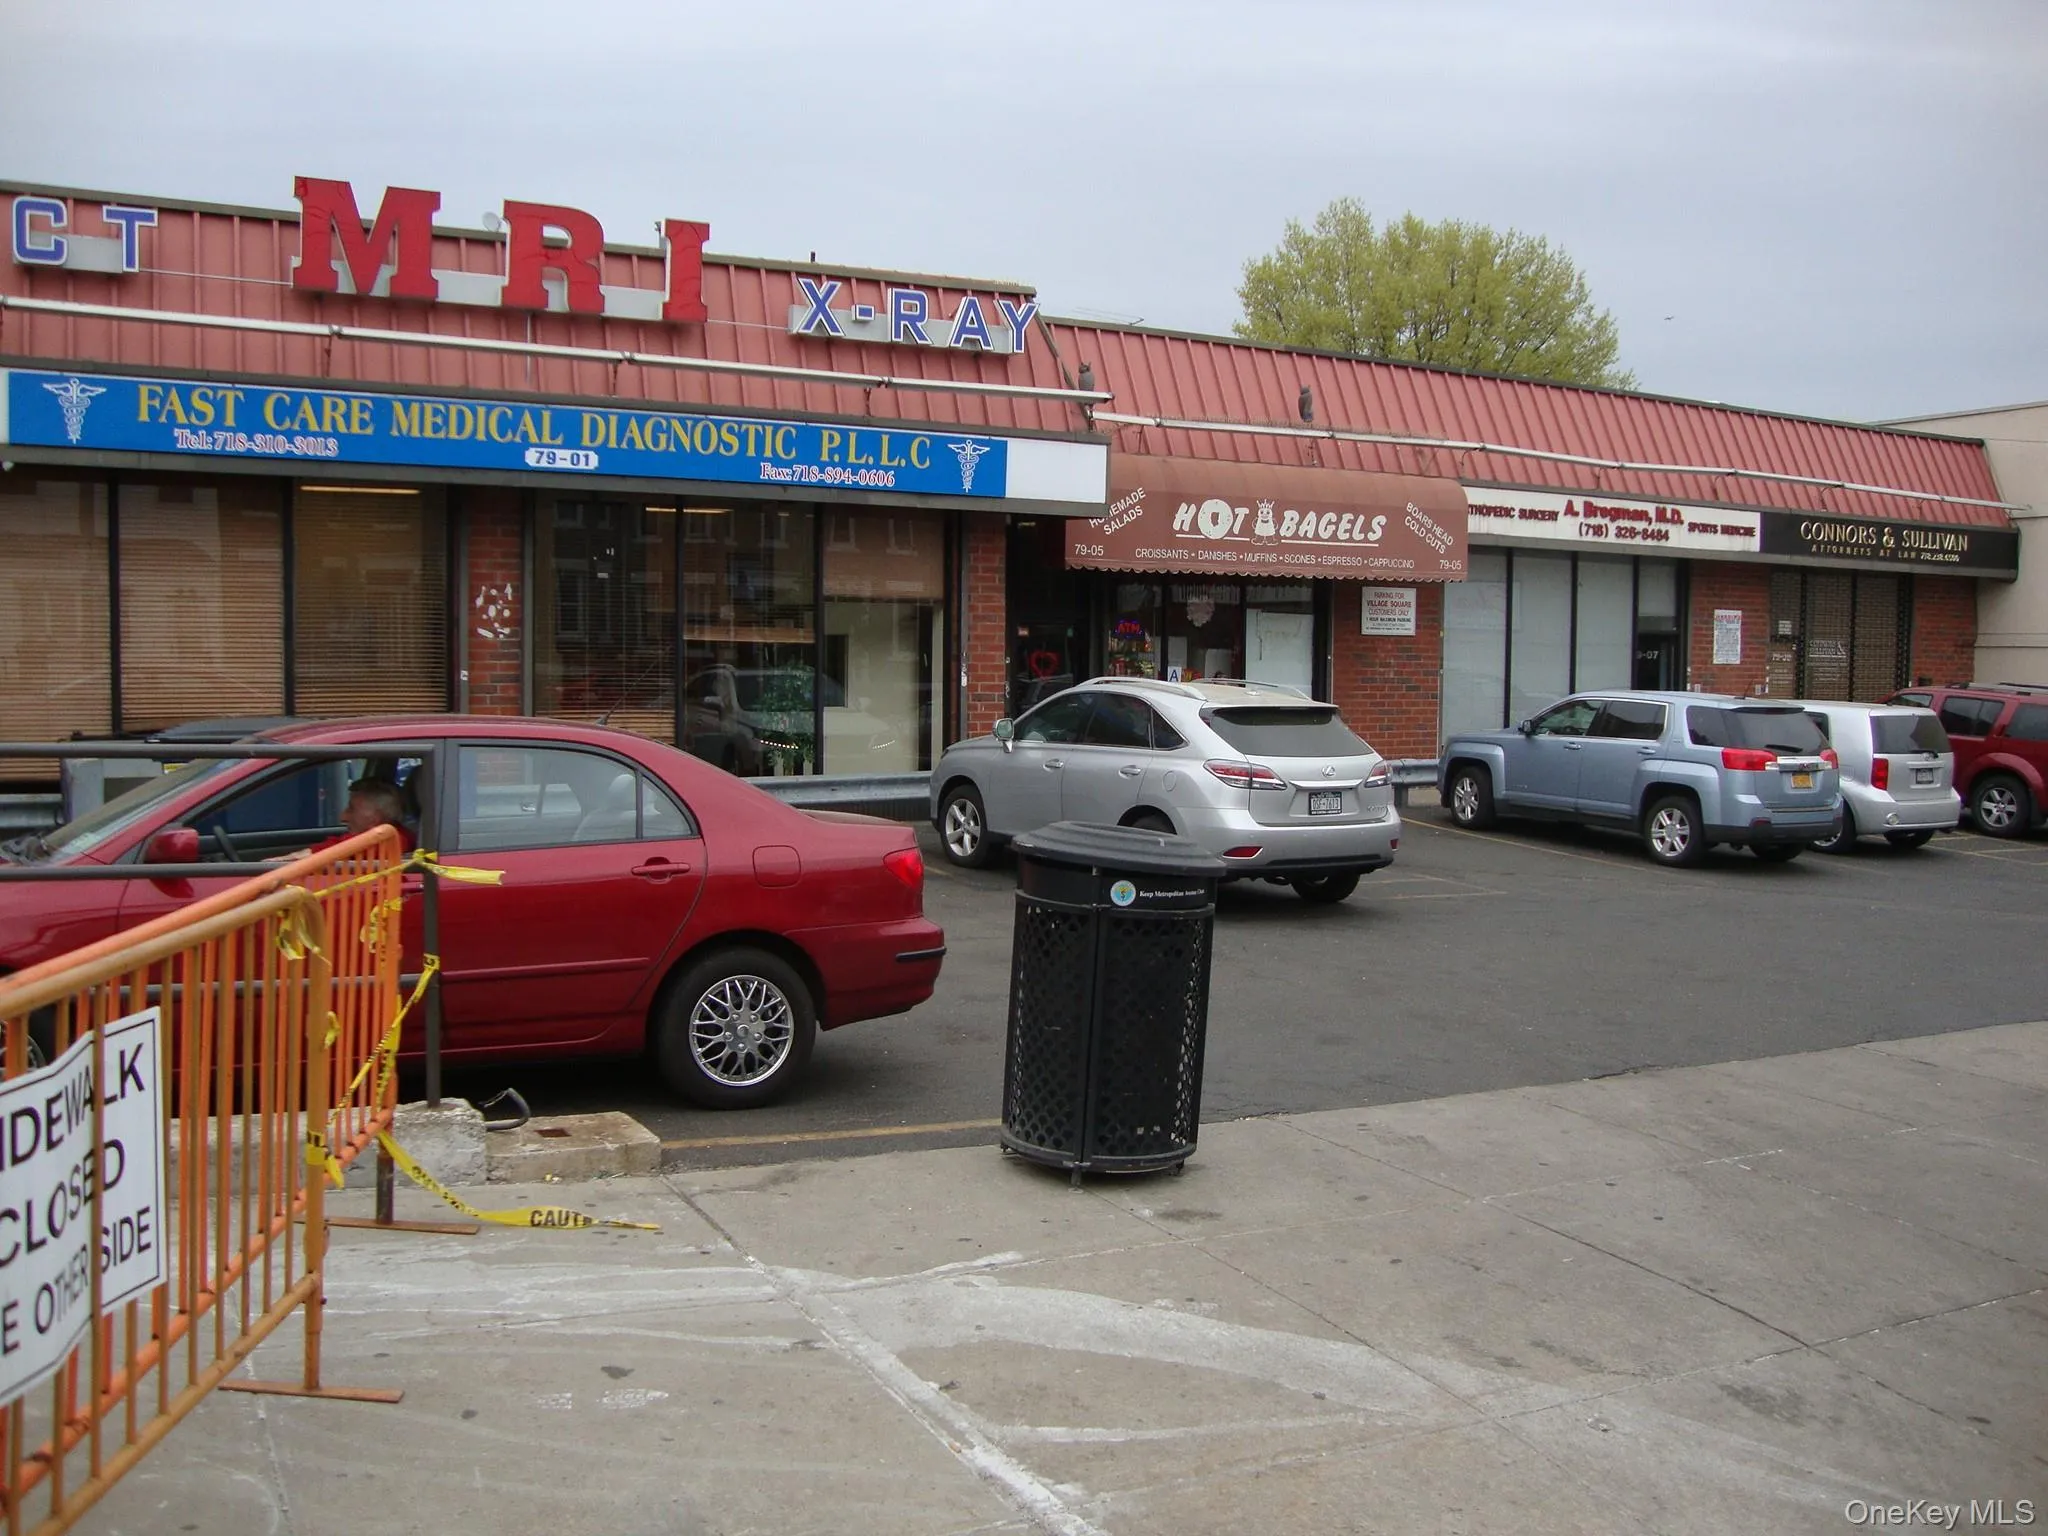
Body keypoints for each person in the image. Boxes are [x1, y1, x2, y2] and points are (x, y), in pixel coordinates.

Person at [308, 776, 415, 855]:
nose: (343, 817)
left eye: (351, 809)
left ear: (375, 817)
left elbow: (358, 845)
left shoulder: (394, 840)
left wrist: (314, 853)